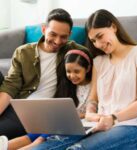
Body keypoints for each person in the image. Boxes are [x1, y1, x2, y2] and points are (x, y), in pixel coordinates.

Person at [32, 9, 137, 150]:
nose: (98, 44)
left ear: (113, 27)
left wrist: (113, 118)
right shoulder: (99, 62)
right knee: (45, 147)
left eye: (100, 36)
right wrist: (91, 113)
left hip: (131, 127)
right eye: (93, 40)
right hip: (97, 124)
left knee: (77, 149)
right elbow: (93, 99)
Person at [0, 8, 88, 145]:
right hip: (21, 107)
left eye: (63, 36)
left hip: (46, 115)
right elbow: (10, 87)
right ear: (43, 29)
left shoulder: (74, 52)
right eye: (53, 34)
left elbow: (96, 61)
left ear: (70, 35)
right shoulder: (23, 52)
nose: (58, 41)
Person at [0, 49, 93, 149]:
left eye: (77, 71)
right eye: (68, 72)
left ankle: (34, 144)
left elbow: (95, 110)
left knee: (41, 138)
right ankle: (4, 146)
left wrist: (78, 115)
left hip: (83, 123)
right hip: (64, 122)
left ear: (87, 69)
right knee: (35, 134)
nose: (72, 76)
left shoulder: (93, 87)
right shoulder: (68, 86)